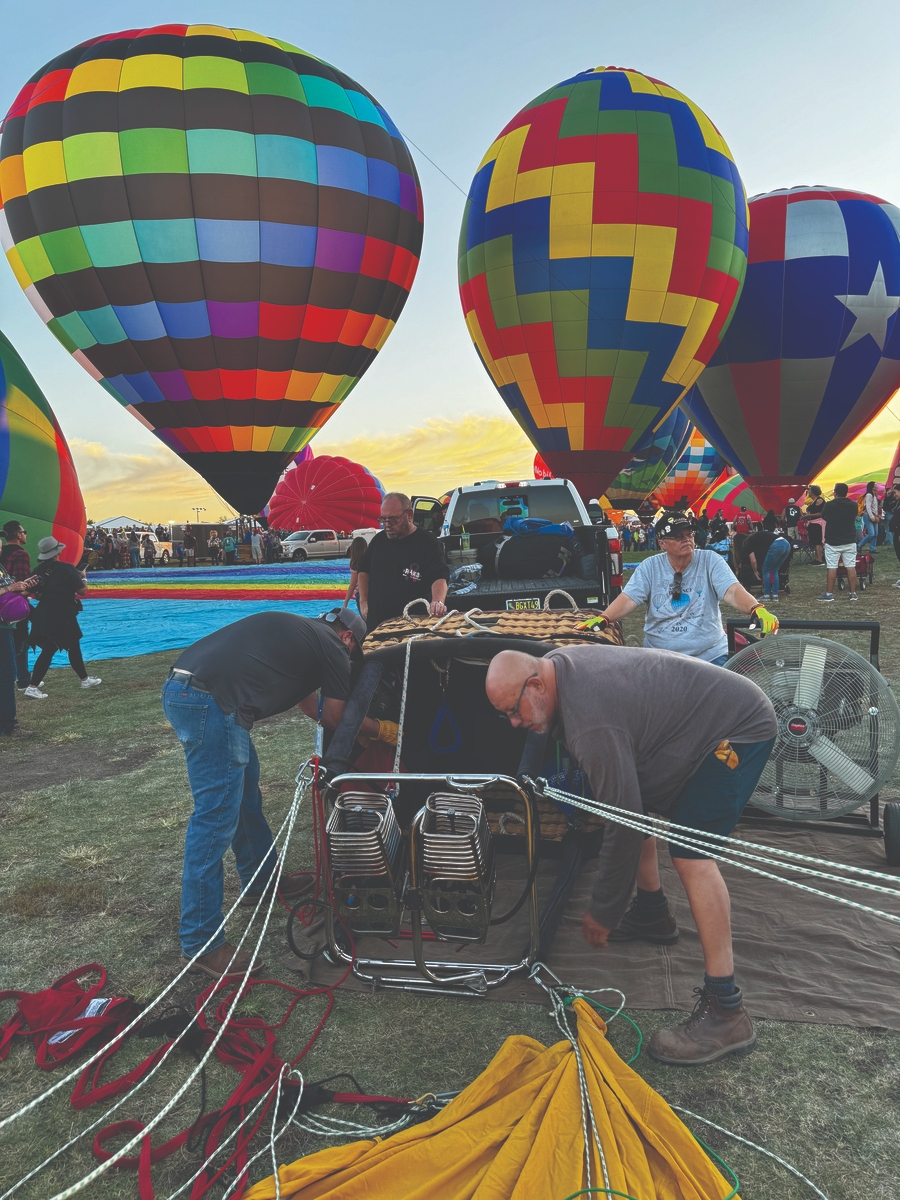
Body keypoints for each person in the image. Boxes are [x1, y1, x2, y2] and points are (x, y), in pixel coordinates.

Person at [485, 647, 777, 1065]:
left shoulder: (590, 723)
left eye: (515, 711)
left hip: (739, 728)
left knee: (691, 852)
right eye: (505, 716)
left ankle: (727, 1010)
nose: (516, 723)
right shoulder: (555, 670)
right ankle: (653, 913)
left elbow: (623, 824)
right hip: (704, 719)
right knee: (626, 796)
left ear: (535, 685)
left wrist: (604, 909)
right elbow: (624, 806)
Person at [162, 608, 399, 978]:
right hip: (214, 702)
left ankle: (261, 880)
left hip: (186, 689)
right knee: (214, 820)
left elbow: (312, 709)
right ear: (349, 639)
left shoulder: (304, 637)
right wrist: (382, 729)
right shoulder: (334, 648)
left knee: (243, 794)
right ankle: (201, 943)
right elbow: (337, 717)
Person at [595, 513, 778, 668]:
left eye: (689, 533)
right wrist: (605, 617)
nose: (686, 539)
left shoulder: (710, 560)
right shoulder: (649, 567)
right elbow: (629, 598)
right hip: (660, 658)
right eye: (678, 536)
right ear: (662, 543)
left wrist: (756, 608)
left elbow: (731, 590)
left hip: (711, 657)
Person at [357, 492, 450, 631]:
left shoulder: (428, 543)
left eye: (393, 520)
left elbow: (439, 577)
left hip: (412, 626)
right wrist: (363, 601)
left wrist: (437, 602)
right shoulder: (378, 541)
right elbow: (363, 570)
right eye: (383, 519)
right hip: (378, 626)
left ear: (409, 515)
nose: (387, 525)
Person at [28, 537, 101, 691]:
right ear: (57, 552)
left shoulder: (38, 570)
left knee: (69, 646)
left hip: (43, 614)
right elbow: (82, 591)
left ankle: (84, 679)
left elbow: (31, 591)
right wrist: (83, 577)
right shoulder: (67, 568)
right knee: (53, 648)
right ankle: (33, 686)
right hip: (63, 615)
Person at [0, 521, 42, 698]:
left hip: (3, 605)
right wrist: (29, 587)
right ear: (18, 535)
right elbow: (20, 582)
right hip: (13, 604)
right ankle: (23, 679)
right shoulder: (21, 554)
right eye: (24, 532)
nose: (25, 535)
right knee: (21, 640)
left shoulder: (3, 554)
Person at [0, 565, 40, 736]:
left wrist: (22, 588)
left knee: (7, 674)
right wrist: (10, 588)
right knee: (7, 674)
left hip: (5, 625)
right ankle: (8, 726)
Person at [817, 483, 860, 602]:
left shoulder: (829, 505)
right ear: (846, 492)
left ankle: (829, 594)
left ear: (835, 492)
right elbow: (854, 516)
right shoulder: (853, 505)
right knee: (851, 566)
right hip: (849, 540)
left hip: (833, 540)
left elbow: (824, 517)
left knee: (832, 567)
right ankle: (852, 593)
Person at [742, 527, 792, 602]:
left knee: (766, 570)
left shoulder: (748, 544)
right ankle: (775, 595)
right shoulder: (757, 537)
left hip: (777, 544)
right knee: (775, 570)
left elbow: (753, 560)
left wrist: (755, 571)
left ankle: (767, 595)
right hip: (786, 543)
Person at [343, 536, 369, 611]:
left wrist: (345, 602)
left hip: (361, 594)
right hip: (371, 591)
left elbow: (353, 584)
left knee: (365, 616)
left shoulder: (356, 564)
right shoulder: (369, 560)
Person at [805, 485, 826, 564]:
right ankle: (816, 558)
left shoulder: (819, 500)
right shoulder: (812, 501)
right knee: (814, 542)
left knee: (818, 542)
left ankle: (819, 559)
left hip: (818, 523)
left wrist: (809, 515)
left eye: (809, 491)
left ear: (813, 492)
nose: (808, 492)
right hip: (812, 523)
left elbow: (821, 513)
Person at [859, 481, 881, 553]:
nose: (877, 487)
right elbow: (868, 507)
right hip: (868, 515)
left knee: (876, 533)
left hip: (874, 515)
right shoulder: (869, 495)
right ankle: (859, 545)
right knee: (871, 533)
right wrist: (871, 516)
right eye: (875, 485)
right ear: (872, 487)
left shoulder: (874, 495)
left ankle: (872, 548)